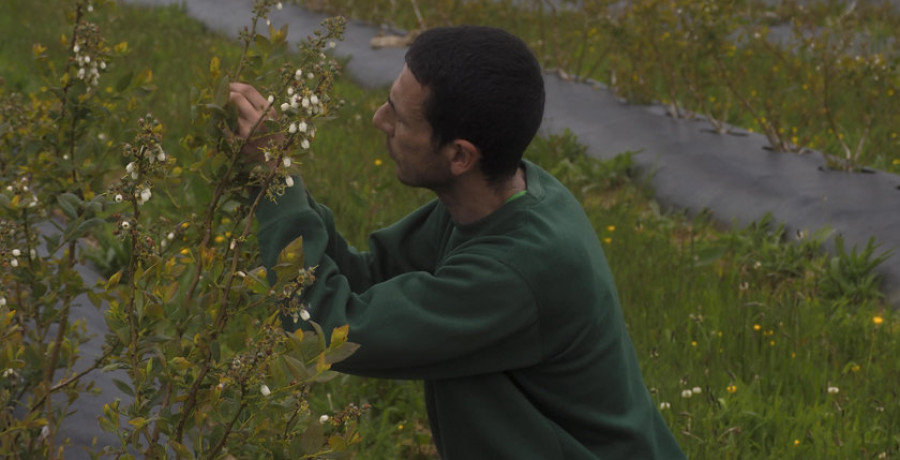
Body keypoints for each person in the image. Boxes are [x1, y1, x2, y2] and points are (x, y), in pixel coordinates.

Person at [230, 25, 685, 459]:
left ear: (460, 156)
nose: (378, 120)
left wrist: (278, 179)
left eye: (400, 118)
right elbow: (364, 278)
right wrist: (279, 179)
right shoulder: (494, 202)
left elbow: (329, 331)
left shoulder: (517, 268)